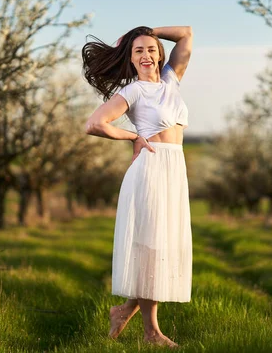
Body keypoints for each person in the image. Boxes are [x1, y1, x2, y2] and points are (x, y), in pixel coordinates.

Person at [82, 25, 193, 348]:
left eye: (151, 49)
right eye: (138, 51)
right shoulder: (132, 91)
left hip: (174, 168)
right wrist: (133, 136)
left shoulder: (172, 80)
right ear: (130, 60)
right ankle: (151, 332)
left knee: (163, 246)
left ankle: (126, 309)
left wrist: (143, 31)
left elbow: (186, 34)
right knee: (151, 247)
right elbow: (94, 124)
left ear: (160, 53)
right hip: (150, 169)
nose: (146, 56)